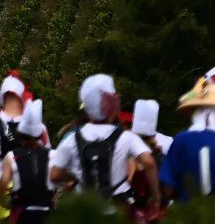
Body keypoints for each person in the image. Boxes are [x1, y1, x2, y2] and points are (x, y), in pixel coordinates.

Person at [50, 73, 153, 203]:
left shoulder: (71, 137)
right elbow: (142, 164)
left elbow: (56, 174)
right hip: (115, 201)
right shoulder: (124, 136)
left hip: (83, 203)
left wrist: (74, 178)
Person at [0, 99, 55, 221]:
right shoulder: (52, 155)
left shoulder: (11, 156)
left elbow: (2, 187)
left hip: (23, 214)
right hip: (47, 213)